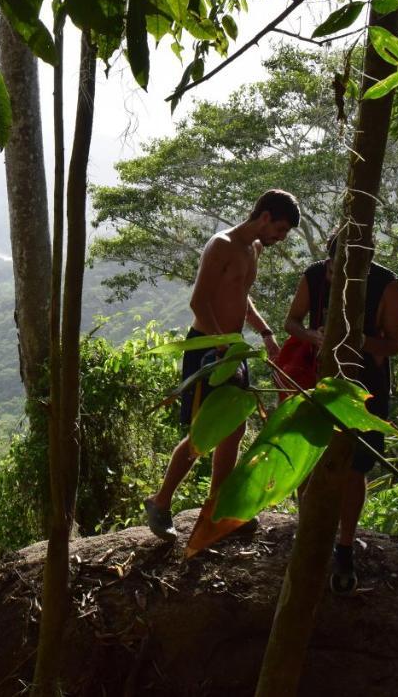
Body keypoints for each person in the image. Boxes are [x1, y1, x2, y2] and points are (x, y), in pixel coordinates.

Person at [144, 189, 300, 542]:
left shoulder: (253, 249)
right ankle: (160, 501)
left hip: (232, 349)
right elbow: (198, 301)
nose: (280, 237)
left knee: (235, 429)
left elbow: (241, 297)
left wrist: (265, 333)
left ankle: (218, 508)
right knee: (205, 432)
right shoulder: (222, 244)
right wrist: (219, 344)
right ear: (264, 217)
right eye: (280, 229)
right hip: (208, 350)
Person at [284, 233, 398, 594]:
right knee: (307, 459)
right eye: (335, 270)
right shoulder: (315, 275)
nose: (338, 278)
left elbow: (394, 344)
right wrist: (314, 336)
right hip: (316, 378)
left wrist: (356, 339)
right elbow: (292, 321)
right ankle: (306, 536)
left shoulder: (388, 285)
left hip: (364, 386)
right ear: (330, 262)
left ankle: (345, 546)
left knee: (356, 465)